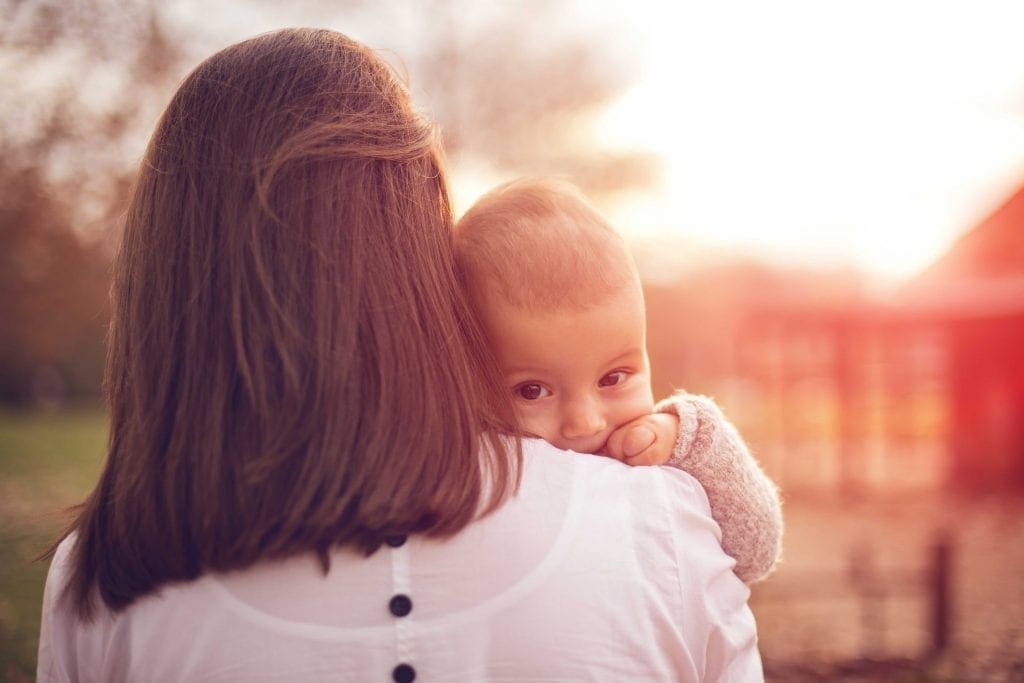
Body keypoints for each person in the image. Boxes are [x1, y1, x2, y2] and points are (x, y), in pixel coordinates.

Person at [37, 28, 764, 681]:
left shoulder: (99, 587)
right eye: (535, 387)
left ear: (162, 282)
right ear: (423, 267)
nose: (580, 416)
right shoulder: (661, 523)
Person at [454, 177, 783, 583]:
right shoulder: (467, 468)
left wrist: (691, 438)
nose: (585, 423)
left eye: (613, 378)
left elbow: (756, 552)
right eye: (532, 391)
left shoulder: (657, 449)